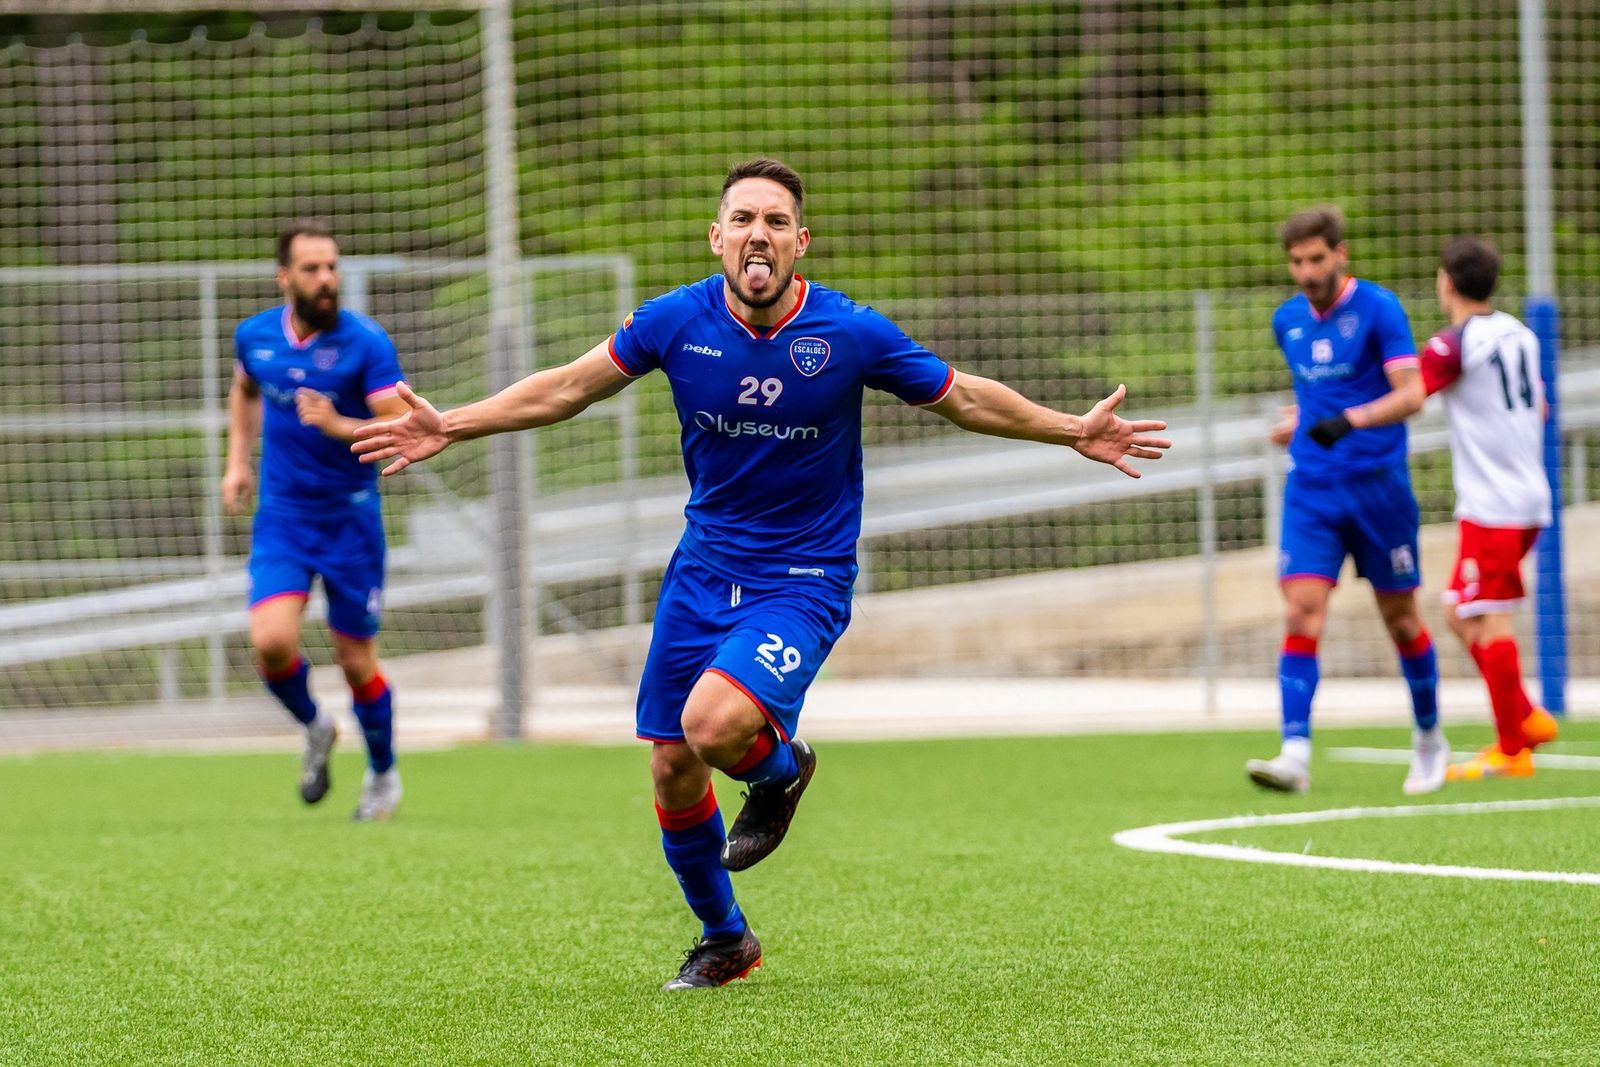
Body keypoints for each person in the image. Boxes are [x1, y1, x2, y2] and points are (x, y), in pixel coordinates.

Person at [352, 158, 1171, 989]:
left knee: (712, 727)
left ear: (799, 243)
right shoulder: (675, 320)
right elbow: (568, 387)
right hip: (702, 573)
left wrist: (1072, 429)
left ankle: (783, 769)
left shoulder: (850, 333)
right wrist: (449, 424)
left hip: (802, 578)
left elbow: (964, 397)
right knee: (671, 764)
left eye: (776, 222)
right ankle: (726, 940)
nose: (758, 234)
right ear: (717, 238)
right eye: (743, 219)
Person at [1246, 206, 1449, 796]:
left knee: (1402, 620)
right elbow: (1317, 396)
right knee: (1299, 613)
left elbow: (1412, 394)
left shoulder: (1380, 310)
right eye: (1296, 261)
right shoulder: (1286, 320)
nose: (1306, 271)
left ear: (1341, 253)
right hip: (1312, 490)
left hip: (1378, 489)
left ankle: (1430, 737)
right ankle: (1295, 753)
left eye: (1316, 258)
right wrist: (1300, 421)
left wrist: (1348, 420)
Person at [223, 221, 411, 821]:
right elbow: (246, 389)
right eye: (312, 269)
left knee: (357, 664)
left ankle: (382, 776)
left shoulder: (366, 343)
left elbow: (397, 429)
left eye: (332, 266)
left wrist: (335, 424)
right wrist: (237, 464)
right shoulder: (254, 337)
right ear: (285, 278)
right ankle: (315, 726)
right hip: (283, 517)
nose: (327, 279)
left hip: (350, 522)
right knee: (271, 643)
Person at [1416, 236, 1559, 781]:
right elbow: (1540, 405)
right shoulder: (1520, 334)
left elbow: (1413, 393)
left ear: (1445, 282)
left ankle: (1512, 748)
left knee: (1489, 617)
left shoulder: (1456, 343)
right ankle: (1524, 717)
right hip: (1525, 496)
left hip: (1494, 504)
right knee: (1459, 610)